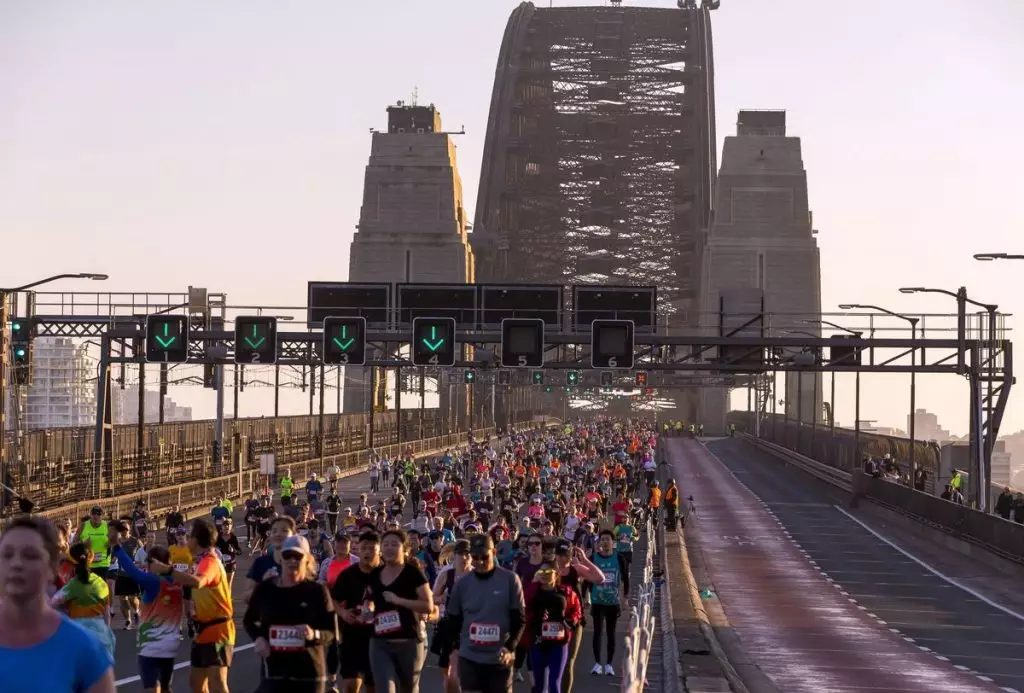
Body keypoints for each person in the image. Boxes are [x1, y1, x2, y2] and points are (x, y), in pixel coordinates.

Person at [0, 515, 116, 692]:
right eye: (7, 555)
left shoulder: (84, 649)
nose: (16, 564)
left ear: (52, 568)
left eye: (30, 555)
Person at [245, 535, 339, 693]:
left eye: (298, 556)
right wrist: (259, 638)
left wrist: (313, 634)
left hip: (308, 673)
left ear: (308, 559)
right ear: (281, 559)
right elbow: (249, 620)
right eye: (287, 555)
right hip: (275, 671)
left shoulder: (317, 592)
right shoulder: (266, 588)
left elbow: (331, 632)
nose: (292, 560)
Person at [150, 518, 234, 693]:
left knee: (217, 682)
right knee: (196, 684)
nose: (186, 539)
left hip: (218, 630)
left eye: (188, 536)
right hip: (203, 630)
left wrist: (166, 570)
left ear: (195, 540)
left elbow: (198, 582)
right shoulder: (199, 561)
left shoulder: (210, 561)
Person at [445, 534, 525, 693]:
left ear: (494, 552)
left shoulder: (510, 580)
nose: (480, 562)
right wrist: (453, 651)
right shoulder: (462, 584)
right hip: (470, 657)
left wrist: (510, 647)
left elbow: (519, 619)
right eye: (475, 557)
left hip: (500, 658)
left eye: (484, 557)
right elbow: (452, 620)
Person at [111, 537, 184, 693]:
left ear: (157, 563)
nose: (147, 564)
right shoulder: (177, 581)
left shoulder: (154, 582)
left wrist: (117, 549)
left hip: (151, 644)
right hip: (169, 643)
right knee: (165, 686)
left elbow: (133, 572)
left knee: (151, 687)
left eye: (149, 561)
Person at [366, 529, 433, 693]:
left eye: (394, 544)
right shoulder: (375, 574)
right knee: (384, 689)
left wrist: (399, 601)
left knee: (408, 689)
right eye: (386, 544)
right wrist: (367, 612)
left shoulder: (413, 573)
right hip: (380, 643)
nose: (389, 548)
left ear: (404, 549)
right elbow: (369, 601)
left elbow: (428, 606)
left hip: (408, 643)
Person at [331, 530, 383, 693]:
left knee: (372, 686)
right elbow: (334, 600)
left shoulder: (386, 574)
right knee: (351, 685)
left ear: (379, 551)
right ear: (358, 550)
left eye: (372, 549)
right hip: (352, 637)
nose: (367, 552)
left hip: (378, 637)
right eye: (364, 548)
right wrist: (343, 613)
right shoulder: (348, 575)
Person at [51, 540, 116, 661]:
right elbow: (107, 615)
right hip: (102, 637)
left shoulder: (73, 586)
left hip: (80, 637)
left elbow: (52, 603)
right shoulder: (101, 583)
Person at [524, 563, 581, 693]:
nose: (544, 575)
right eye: (541, 572)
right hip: (538, 642)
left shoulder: (565, 591)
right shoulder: (533, 591)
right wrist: (533, 582)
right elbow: (523, 604)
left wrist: (571, 620)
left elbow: (576, 609)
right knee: (538, 685)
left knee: (554, 683)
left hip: (559, 643)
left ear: (556, 574)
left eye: (548, 572)